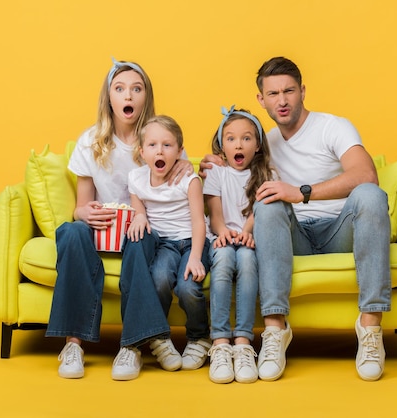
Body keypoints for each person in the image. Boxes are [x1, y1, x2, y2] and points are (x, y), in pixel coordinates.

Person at [201, 56, 391, 382]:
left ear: (302, 91)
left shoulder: (333, 126)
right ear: (261, 100)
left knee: (371, 195)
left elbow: (366, 173)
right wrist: (210, 162)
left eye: (289, 91)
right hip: (292, 237)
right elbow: (235, 156)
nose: (282, 100)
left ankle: (370, 329)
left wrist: (301, 192)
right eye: (273, 94)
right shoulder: (264, 142)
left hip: (339, 229)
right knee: (268, 202)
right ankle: (275, 330)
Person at [46, 58, 192, 381]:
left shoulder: (157, 138)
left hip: (142, 227)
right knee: (70, 233)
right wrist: (86, 213)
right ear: (109, 97)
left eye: (136, 89)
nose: (129, 96)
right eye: (120, 89)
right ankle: (73, 344)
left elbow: (182, 174)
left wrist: (189, 165)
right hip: (102, 227)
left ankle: (132, 346)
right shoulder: (91, 141)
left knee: (140, 239)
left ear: (145, 97)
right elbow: (80, 207)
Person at [124, 115, 212, 372]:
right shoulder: (137, 178)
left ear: (180, 151)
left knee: (187, 286)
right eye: (152, 145)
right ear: (142, 152)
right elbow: (137, 205)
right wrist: (139, 214)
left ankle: (199, 336)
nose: (159, 151)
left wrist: (196, 257)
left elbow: (199, 222)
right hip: (164, 245)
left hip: (192, 242)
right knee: (159, 278)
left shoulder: (189, 180)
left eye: (167, 145)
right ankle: (158, 335)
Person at [203, 106, 274, 384]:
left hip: (250, 238)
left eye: (246, 138)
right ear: (222, 145)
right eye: (231, 138)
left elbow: (261, 211)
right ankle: (220, 342)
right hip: (220, 237)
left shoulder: (268, 173)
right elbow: (215, 214)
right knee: (222, 262)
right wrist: (223, 232)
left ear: (257, 145)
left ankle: (243, 343)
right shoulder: (216, 173)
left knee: (246, 260)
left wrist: (246, 232)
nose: (238, 144)